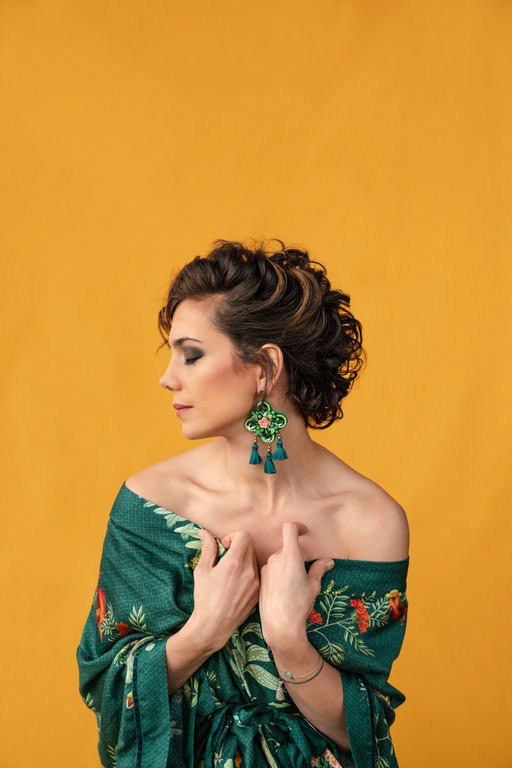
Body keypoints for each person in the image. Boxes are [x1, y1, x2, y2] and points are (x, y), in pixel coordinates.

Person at [76, 238, 410, 768]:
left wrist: (288, 641)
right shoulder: (150, 506)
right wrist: (204, 631)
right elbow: (105, 690)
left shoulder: (369, 522)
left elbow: (364, 733)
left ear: (264, 368)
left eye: (191, 354)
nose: (168, 377)